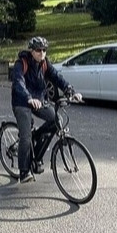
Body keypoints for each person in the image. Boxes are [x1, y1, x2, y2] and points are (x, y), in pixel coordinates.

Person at [11, 36, 82, 183]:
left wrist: (70, 90)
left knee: (56, 120)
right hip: (22, 102)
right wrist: (29, 98)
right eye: (38, 50)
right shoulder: (21, 63)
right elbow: (18, 82)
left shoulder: (44, 63)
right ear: (31, 51)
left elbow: (57, 77)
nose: (42, 53)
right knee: (25, 137)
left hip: (40, 100)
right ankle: (24, 171)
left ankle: (36, 144)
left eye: (44, 50)